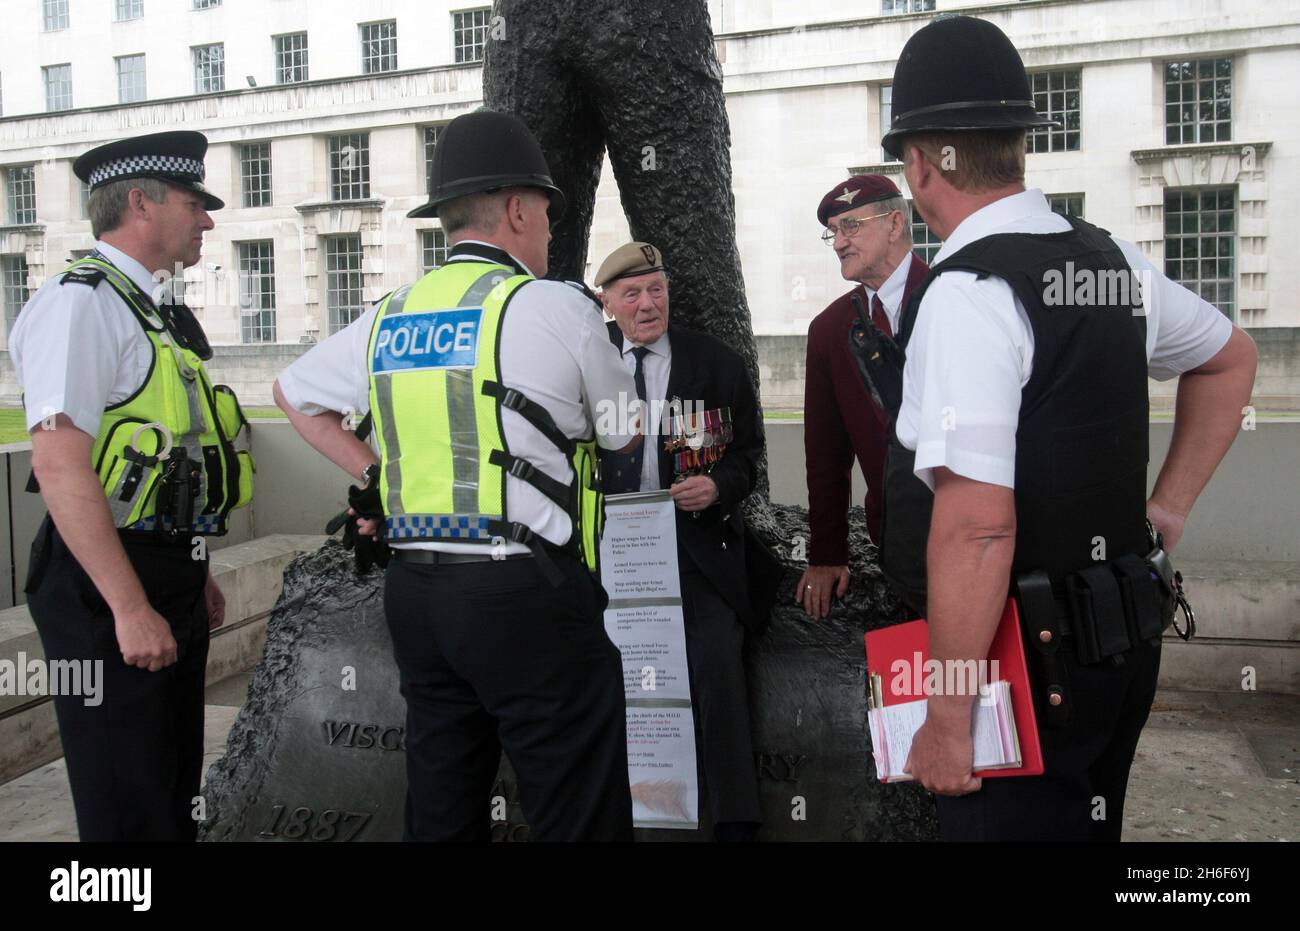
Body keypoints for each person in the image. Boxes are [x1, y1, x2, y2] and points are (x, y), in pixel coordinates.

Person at [877, 16, 1257, 840]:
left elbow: (977, 527)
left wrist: (947, 718)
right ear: (1018, 144)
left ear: (917, 164)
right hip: (1117, 645)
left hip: (1018, 673)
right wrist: (1169, 509)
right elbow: (1232, 360)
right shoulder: (1112, 260)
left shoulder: (966, 291)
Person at [274, 110, 641, 842]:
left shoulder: (390, 314)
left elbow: (295, 393)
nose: (547, 231)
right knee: (578, 807)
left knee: (442, 803)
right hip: (527, 592)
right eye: (544, 213)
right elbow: (622, 429)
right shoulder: (554, 306)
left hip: (417, 596)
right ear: (515, 209)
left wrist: (383, 477)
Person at [11, 130, 251, 841]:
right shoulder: (79, 303)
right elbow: (59, 465)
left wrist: (191, 564)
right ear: (140, 202)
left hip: (160, 566)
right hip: (105, 576)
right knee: (126, 800)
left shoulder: (147, 306)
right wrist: (128, 604)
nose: (207, 219)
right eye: (194, 202)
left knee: (168, 783)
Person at [594, 241, 765, 842]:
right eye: (632, 294)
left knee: (717, 670)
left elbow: (748, 455)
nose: (648, 305)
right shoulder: (589, 366)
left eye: (657, 290)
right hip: (610, 555)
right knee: (604, 676)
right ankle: (621, 816)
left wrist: (719, 485)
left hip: (696, 551)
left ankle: (735, 824)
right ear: (607, 303)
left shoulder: (714, 363)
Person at [797, 174, 930, 620]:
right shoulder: (830, 329)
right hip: (897, 545)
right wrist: (827, 553)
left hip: (982, 535)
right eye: (833, 231)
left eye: (851, 226)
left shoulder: (955, 298)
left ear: (895, 225)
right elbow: (825, 454)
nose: (838, 243)